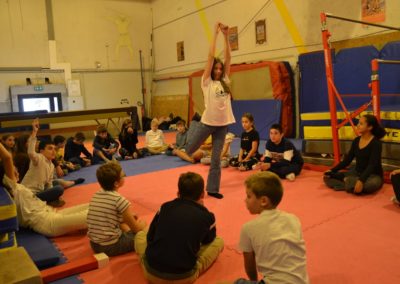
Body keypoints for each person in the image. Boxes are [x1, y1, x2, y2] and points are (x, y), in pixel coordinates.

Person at [134, 172, 224, 283]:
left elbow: (150, 237)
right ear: (202, 194)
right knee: (219, 242)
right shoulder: (207, 216)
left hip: (151, 272)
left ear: (178, 193)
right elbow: (208, 240)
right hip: (183, 277)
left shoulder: (165, 207)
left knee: (141, 234)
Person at [184, 22, 235, 199]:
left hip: (222, 125)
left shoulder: (225, 81)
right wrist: (214, 33)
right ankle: (182, 146)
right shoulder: (206, 82)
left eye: (221, 68)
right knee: (189, 149)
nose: (219, 70)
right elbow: (210, 56)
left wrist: (226, 36)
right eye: (216, 68)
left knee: (216, 159)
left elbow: (228, 57)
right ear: (212, 69)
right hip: (206, 123)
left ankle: (213, 189)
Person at [0, 143, 88, 237]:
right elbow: (7, 158)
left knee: (90, 205)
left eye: (16, 169)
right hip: (46, 222)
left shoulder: (16, 186)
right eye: (13, 170)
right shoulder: (10, 186)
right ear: (5, 176)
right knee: (97, 213)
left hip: (51, 212)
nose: (16, 171)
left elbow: (49, 184)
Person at [235, 171, 309, 284]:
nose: (245, 200)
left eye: (249, 196)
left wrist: (254, 281)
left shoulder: (248, 228)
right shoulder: (293, 219)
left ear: (263, 201)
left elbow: (249, 265)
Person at [87, 162, 146, 256]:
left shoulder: (97, 194)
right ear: (116, 183)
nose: (124, 177)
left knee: (127, 222)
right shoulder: (119, 200)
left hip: (94, 244)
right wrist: (142, 225)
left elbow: (113, 217)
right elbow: (136, 229)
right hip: (110, 247)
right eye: (123, 176)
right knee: (145, 231)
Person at [21, 119, 84, 206]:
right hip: (29, 195)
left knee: (56, 183)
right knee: (58, 189)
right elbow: (31, 152)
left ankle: (71, 184)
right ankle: (51, 200)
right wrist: (35, 131)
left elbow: (49, 184)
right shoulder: (39, 158)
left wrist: (54, 196)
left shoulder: (51, 165)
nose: (53, 151)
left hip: (41, 190)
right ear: (42, 151)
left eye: (54, 149)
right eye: (50, 149)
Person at [323, 114, 385, 194]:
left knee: (370, 185)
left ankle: (347, 182)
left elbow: (372, 165)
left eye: (361, 124)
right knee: (327, 177)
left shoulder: (376, 143)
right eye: (358, 123)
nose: (358, 125)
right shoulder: (356, 140)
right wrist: (332, 170)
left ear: (370, 127)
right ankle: (351, 184)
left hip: (372, 175)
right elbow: (347, 160)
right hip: (356, 173)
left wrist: (361, 180)